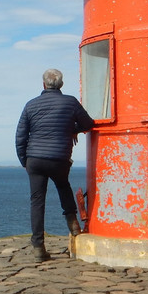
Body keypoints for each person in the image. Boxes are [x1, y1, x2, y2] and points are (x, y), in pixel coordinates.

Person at [15, 68, 95, 262]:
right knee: (63, 186)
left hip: (35, 159)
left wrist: (24, 161)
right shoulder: (70, 102)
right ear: (62, 84)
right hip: (59, 157)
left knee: (37, 201)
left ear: (43, 84)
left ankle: (38, 248)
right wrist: (71, 129)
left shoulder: (31, 105)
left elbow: (20, 136)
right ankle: (74, 226)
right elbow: (88, 124)